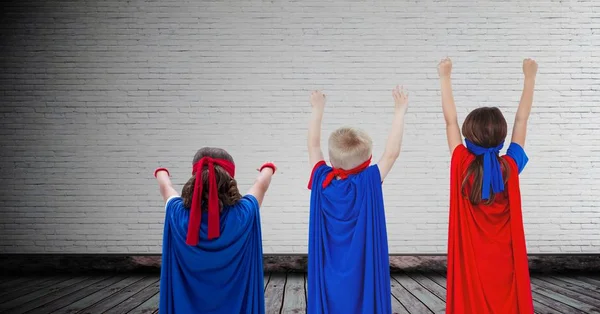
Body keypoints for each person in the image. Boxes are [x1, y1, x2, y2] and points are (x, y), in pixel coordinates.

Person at [438, 57, 537, 314]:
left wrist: (444, 78)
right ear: (502, 138)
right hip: (505, 262)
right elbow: (522, 121)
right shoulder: (510, 168)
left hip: (472, 261)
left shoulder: (462, 163)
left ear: (468, 136)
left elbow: (450, 121)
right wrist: (529, 78)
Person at [306, 87, 408, 313]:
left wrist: (317, 108)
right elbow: (391, 153)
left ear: (332, 159)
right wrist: (400, 111)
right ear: (368, 159)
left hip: (327, 271)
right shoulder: (369, 181)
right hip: (362, 272)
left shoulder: (322, 178)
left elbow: (313, 145)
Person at [154, 147, 276, 314]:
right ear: (230, 178)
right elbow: (261, 184)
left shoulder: (178, 215)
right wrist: (268, 168)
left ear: (194, 178)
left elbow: (165, 186)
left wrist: (162, 172)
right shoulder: (243, 214)